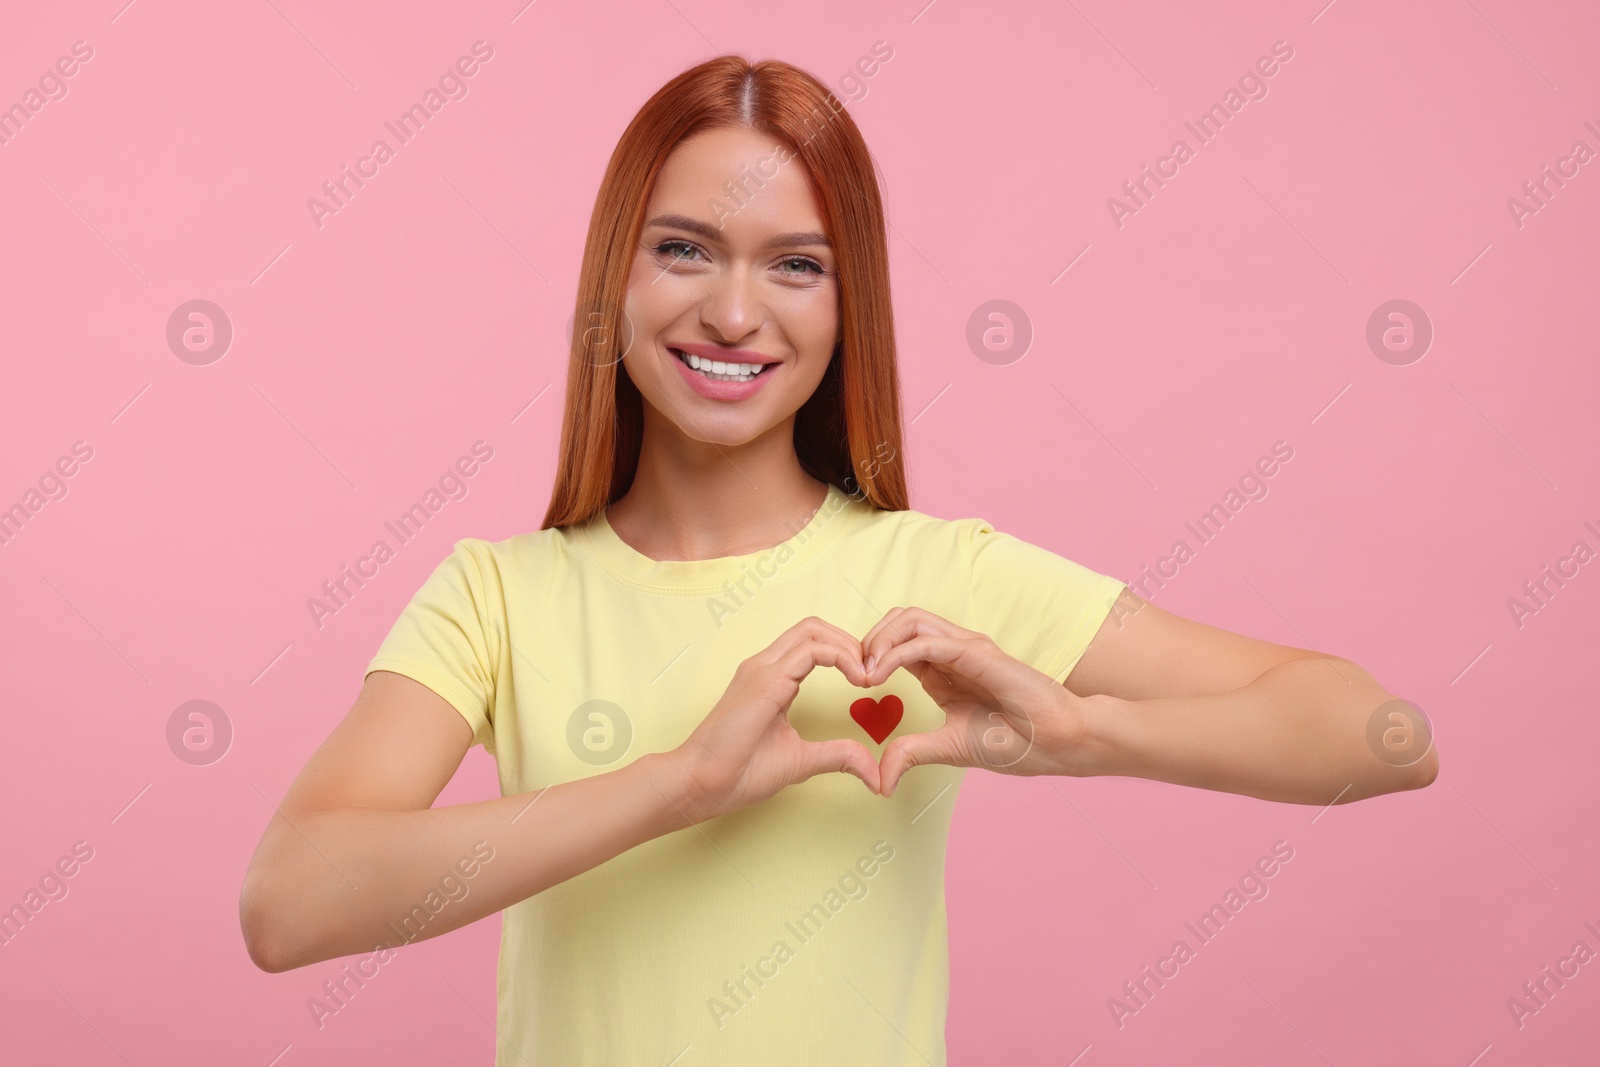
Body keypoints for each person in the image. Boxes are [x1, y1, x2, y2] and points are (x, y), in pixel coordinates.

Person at [239, 55, 1438, 1065]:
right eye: (684, 249)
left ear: (846, 302)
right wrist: (679, 783)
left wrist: (1087, 735)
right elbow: (289, 902)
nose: (733, 312)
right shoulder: (497, 593)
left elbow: (1382, 733)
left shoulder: (942, 576)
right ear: (615, 271)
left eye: (796, 264)